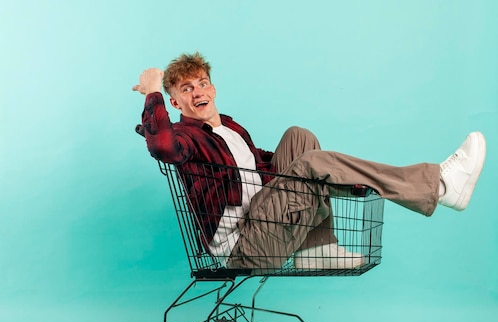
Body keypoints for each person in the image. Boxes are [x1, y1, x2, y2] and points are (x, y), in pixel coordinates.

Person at [132, 52, 486, 271]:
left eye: (202, 84)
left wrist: (344, 180)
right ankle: (438, 185)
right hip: (245, 247)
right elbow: (162, 146)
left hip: (266, 219)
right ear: (175, 103)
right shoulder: (186, 137)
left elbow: (265, 170)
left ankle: (317, 249)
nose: (198, 93)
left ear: (213, 88)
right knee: (314, 163)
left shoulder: (232, 129)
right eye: (187, 89)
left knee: (299, 138)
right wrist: (153, 92)